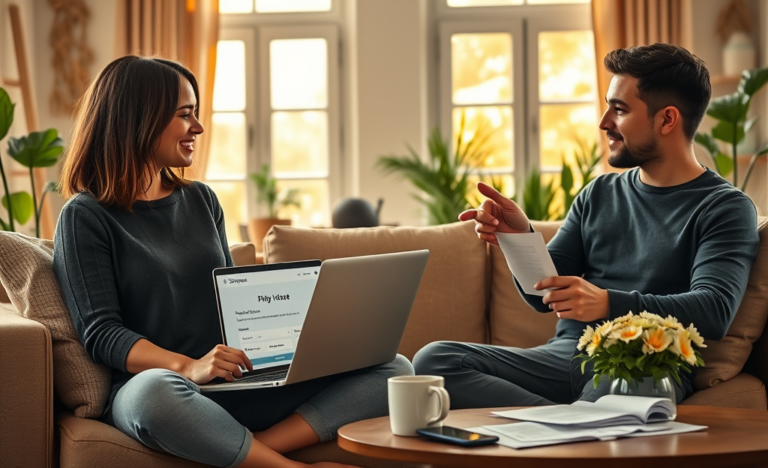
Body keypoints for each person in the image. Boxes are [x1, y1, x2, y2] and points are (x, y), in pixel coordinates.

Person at [53, 56, 413, 468]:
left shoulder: (200, 199)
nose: (198, 128)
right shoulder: (86, 216)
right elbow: (101, 333)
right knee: (153, 394)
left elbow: (232, 302)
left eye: (196, 114)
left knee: (393, 367)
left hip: (237, 383)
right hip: (166, 387)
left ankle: (252, 447)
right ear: (140, 118)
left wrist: (293, 336)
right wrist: (190, 366)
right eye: (185, 115)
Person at [412, 43, 760, 409]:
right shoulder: (600, 193)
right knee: (435, 360)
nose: (604, 121)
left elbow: (714, 309)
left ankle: (569, 427)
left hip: (643, 364)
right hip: (566, 358)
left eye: (620, 109)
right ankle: (569, 423)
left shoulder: (724, 207)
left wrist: (607, 303)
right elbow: (542, 297)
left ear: (667, 119)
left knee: (629, 390)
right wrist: (519, 239)